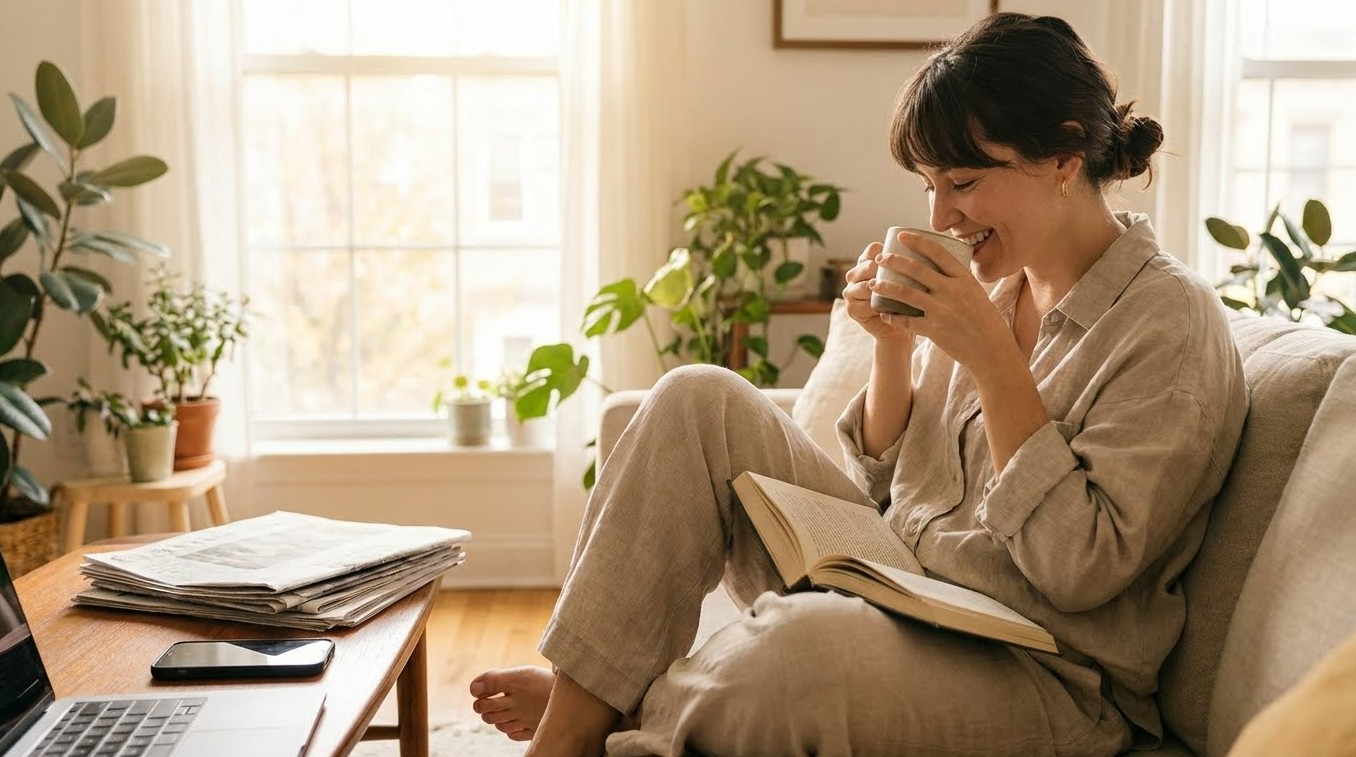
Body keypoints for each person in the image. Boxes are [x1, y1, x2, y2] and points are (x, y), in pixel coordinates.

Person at [470, 12, 1248, 757]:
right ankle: (577, 720)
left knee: (791, 655)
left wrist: (994, 361)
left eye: (965, 182)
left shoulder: (1169, 322)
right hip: (907, 586)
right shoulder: (995, 285)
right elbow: (884, 485)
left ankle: (617, 704)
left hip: (1044, 668)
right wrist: (891, 351)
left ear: (1063, 159)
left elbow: (1081, 570)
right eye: (928, 185)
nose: (943, 215)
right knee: (694, 397)